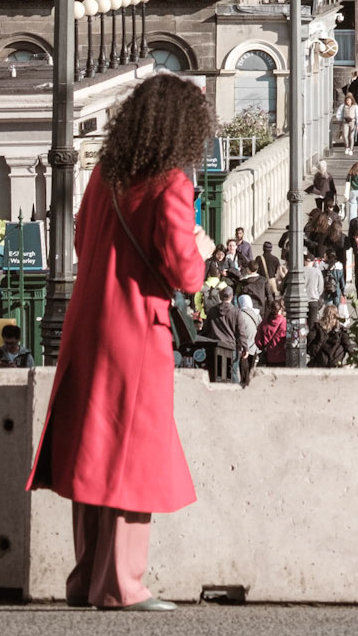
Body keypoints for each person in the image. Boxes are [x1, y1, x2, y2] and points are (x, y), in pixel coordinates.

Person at [30, 74, 214, 610]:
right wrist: (201, 246)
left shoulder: (106, 175)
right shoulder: (170, 183)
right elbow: (187, 272)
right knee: (134, 455)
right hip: (136, 330)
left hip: (89, 327)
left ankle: (85, 579)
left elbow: (84, 238)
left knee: (94, 453)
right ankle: (122, 585)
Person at [306, 301, 351, 368]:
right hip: (335, 364)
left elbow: (309, 344)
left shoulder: (317, 327)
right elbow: (349, 347)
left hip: (319, 363)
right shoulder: (341, 331)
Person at [254, 292, 287, 368]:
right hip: (282, 356)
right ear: (281, 309)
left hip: (269, 356)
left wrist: (263, 346)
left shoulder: (264, 323)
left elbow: (257, 340)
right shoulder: (284, 322)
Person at [234, 293, 259, 383]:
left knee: (244, 369)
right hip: (254, 346)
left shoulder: (240, 315)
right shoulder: (256, 313)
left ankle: (245, 384)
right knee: (251, 368)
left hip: (245, 346)